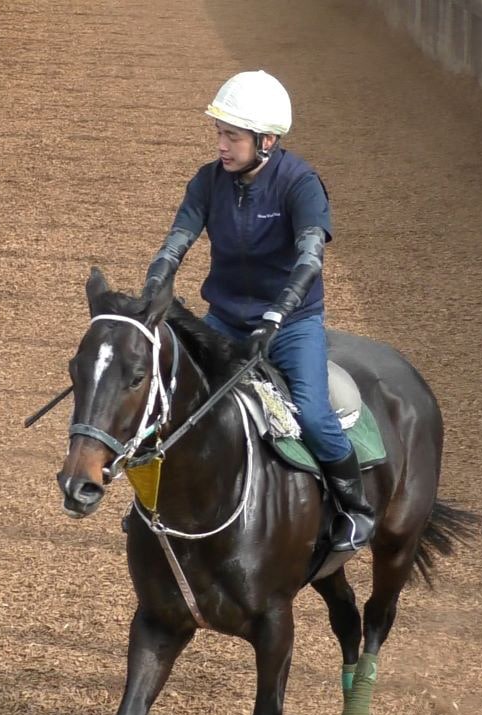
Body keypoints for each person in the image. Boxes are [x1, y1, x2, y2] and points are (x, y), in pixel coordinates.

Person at [141, 70, 375, 551]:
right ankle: (152, 500)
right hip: (223, 320)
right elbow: (177, 241)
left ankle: (356, 508)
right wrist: (155, 285)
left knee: (311, 412)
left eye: (232, 136)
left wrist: (276, 317)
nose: (222, 146)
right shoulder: (208, 182)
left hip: (291, 325)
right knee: (167, 392)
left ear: (266, 140)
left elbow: (310, 258)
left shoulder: (301, 185)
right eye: (219, 134)